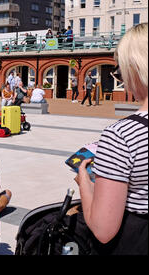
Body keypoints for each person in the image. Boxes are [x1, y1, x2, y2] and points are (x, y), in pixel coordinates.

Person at [74, 23, 148, 255]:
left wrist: (85, 181)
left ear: (136, 68)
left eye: (121, 72)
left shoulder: (121, 135)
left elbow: (103, 228)